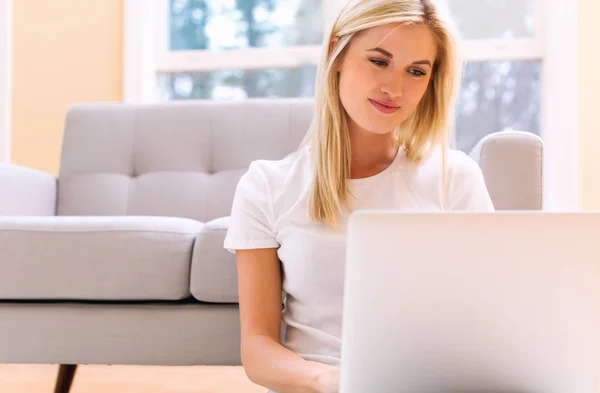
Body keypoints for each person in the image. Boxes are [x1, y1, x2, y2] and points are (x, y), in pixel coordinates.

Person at [223, 0, 495, 392]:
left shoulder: (455, 179)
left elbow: (484, 321)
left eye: (416, 71)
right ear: (337, 52)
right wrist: (329, 381)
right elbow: (258, 346)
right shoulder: (266, 186)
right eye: (378, 61)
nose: (394, 88)